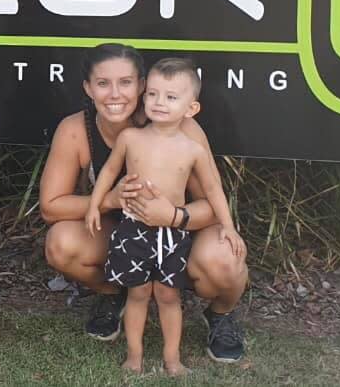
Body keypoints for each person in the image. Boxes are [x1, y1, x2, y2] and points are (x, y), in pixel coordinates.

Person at [39, 43, 249, 363]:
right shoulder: (75, 129)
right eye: (103, 83)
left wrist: (173, 216)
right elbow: (50, 207)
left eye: (125, 83)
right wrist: (109, 199)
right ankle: (114, 295)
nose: (114, 94)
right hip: (127, 233)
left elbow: (211, 200)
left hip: (183, 230)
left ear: (140, 85)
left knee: (224, 260)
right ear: (88, 88)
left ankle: (220, 314)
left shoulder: (179, 126)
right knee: (61, 243)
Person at [86, 58, 241, 375]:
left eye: (171, 97)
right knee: (138, 293)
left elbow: (212, 189)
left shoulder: (192, 148)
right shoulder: (131, 138)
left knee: (169, 296)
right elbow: (109, 172)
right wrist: (94, 204)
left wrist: (228, 227)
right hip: (134, 229)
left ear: (191, 108)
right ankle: (134, 355)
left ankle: (172, 359)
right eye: (153, 94)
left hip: (172, 235)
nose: (159, 103)